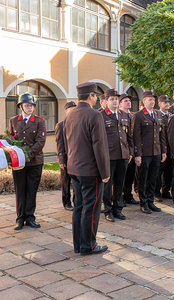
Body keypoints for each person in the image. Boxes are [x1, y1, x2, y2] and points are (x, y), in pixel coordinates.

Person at [63, 82, 110, 256]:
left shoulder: (70, 114)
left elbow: (67, 142)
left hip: (74, 169)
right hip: (91, 170)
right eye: (96, 95)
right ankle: (88, 245)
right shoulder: (94, 115)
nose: (97, 98)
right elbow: (100, 147)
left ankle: (79, 244)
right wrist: (105, 173)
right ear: (91, 96)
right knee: (91, 208)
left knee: (79, 206)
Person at [9, 92, 46, 230]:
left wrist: (26, 155)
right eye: (26, 105)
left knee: (31, 190)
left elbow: (40, 141)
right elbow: (11, 138)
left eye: (31, 106)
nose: (29, 108)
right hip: (18, 163)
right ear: (21, 106)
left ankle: (30, 217)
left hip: (34, 161)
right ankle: (20, 218)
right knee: (20, 190)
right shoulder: (13, 120)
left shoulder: (39, 121)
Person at [101, 89, 134, 222]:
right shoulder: (101, 116)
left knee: (120, 183)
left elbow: (129, 136)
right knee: (108, 185)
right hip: (109, 155)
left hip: (123, 155)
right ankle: (108, 210)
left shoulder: (123, 115)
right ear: (106, 101)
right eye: (112, 99)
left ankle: (118, 208)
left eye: (116, 99)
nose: (115, 101)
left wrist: (130, 152)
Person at [132, 90, 167, 214]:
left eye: (153, 99)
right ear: (143, 101)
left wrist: (163, 151)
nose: (152, 101)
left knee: (153, 178)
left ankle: (151, 201)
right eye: (149, 99)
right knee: (143, 179)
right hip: (144, 153)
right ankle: (143, 202)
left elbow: (161, 134)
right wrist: (138, 154)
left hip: (156, 151)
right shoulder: (139, 115)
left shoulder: (158, 114)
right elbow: (136, 136)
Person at [55, 101, 77, 211]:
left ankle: (76, 201)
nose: (72, 110)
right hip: (66, 158)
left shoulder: (78, 123)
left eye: (74, 108)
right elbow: (59, 144)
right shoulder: (60, 125)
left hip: (77, 158)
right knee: (66, 181)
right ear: (66, 111)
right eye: (70, 109)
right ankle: (66, 202)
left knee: (77, 182)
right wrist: (61, 160)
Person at [119, 93, 139, 206]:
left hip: (132, 150)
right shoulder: (119, 115)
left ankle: (128, 195)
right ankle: (120, 196)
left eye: (129, 100)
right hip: (123, 150)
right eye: (125, 101)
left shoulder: (133, 115)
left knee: (131, 175)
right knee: (122, 175)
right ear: (120, 103)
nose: (128, 102)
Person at [155, 95, 172, 201]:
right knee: (158, 171)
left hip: (170, 147)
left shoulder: (171, 115)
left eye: (168, 102)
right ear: (159, 104)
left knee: (169, 171)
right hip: (161, 147)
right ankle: (157, 192)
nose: (167, 104)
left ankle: (166, 191)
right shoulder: (157, 115)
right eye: (164, 102)